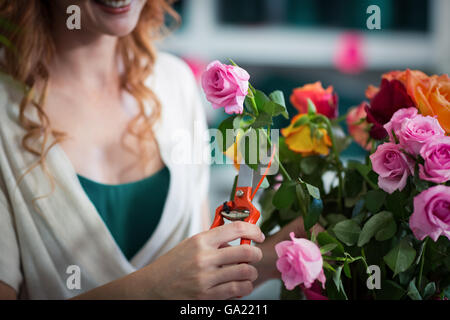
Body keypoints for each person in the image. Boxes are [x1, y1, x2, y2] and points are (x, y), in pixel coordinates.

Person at [0, 0, 319, 300]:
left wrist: (263, 261)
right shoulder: (4, 107)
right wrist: (152, 287)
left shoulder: (176, 83)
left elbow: (196, 287)